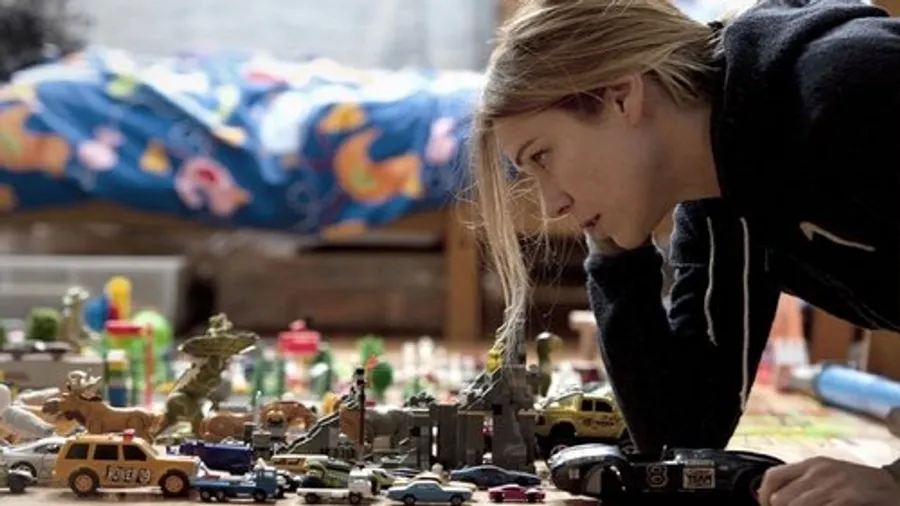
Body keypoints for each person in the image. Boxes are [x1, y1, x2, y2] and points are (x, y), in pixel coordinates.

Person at [471, 0, 900, 504]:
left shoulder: (847, 93)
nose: (551, 206)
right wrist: (614, 255)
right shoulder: (717, 195)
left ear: (621, 97)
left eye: (543, 156)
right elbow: (682, 436)